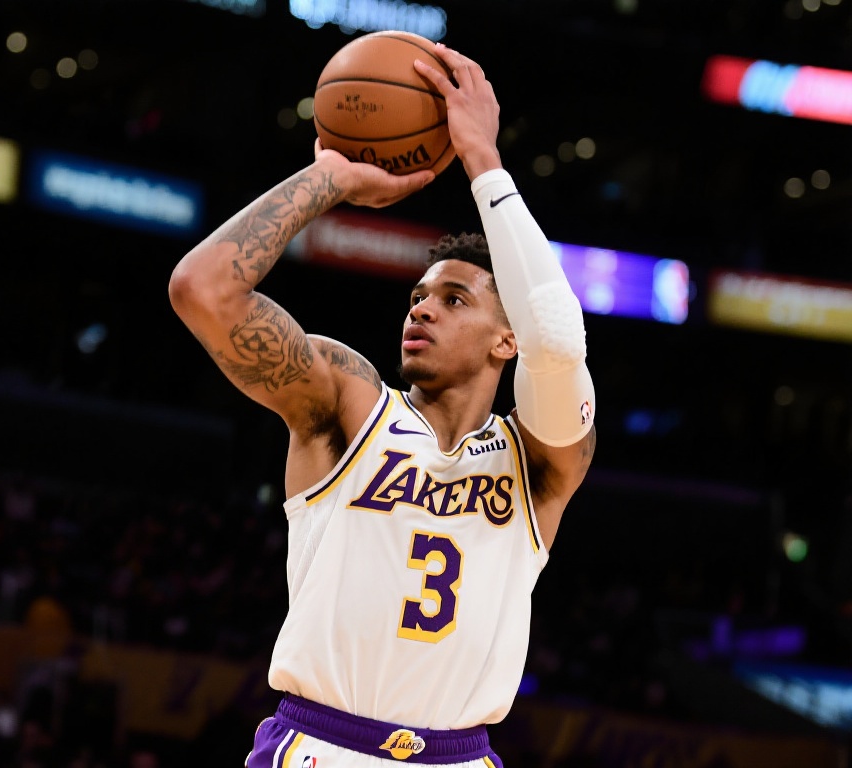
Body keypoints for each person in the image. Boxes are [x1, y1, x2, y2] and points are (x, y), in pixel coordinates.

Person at [170, 41, 596, 768]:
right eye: (417, 296)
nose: (421, 309)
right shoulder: (348, 405)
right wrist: (328, 177)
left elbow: (556, 340)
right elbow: (201, 289)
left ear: (507, 339)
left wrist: (483, 161)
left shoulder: (539, 461)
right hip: (324, 746)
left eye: (453, 299)